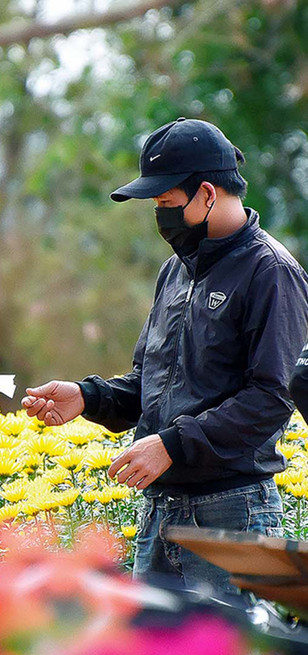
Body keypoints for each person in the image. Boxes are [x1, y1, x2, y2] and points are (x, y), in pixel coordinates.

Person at [23, 117, 308, 594]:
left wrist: (171, 445)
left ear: (208, 194)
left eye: (166, 204)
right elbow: (150, 380)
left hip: (232, 513)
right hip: (160, 511)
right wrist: (87, 398)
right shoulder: (174, 272)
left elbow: (271, 399)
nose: (160, 218)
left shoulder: (271, 272)